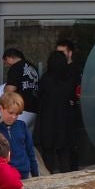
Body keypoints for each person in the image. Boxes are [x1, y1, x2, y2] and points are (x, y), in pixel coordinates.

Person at [35, 40, 81, 173]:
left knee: (48, 153)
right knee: (64, 152)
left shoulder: (45, 79)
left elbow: (39, 97)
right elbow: (74, 97)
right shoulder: (69, 79)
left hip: (47, 120)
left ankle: (49, 176)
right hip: (65, 119)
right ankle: (66, 177)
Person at [0, 91, 41, 182]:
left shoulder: (22, 126)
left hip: (23, 173)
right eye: (11, 113)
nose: (14, 117)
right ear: (0, 108)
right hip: (4, 176)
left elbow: (30, 152)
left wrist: (36, 176)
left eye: (17, 114)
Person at [0, 48, 40, 129]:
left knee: (12, 135)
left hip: (21, 109)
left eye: (6, 62)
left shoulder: (15, 67)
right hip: (34, 109)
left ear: (9, 58)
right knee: (26, 138)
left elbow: (10, 90)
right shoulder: (32, 67)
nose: (6, 65)